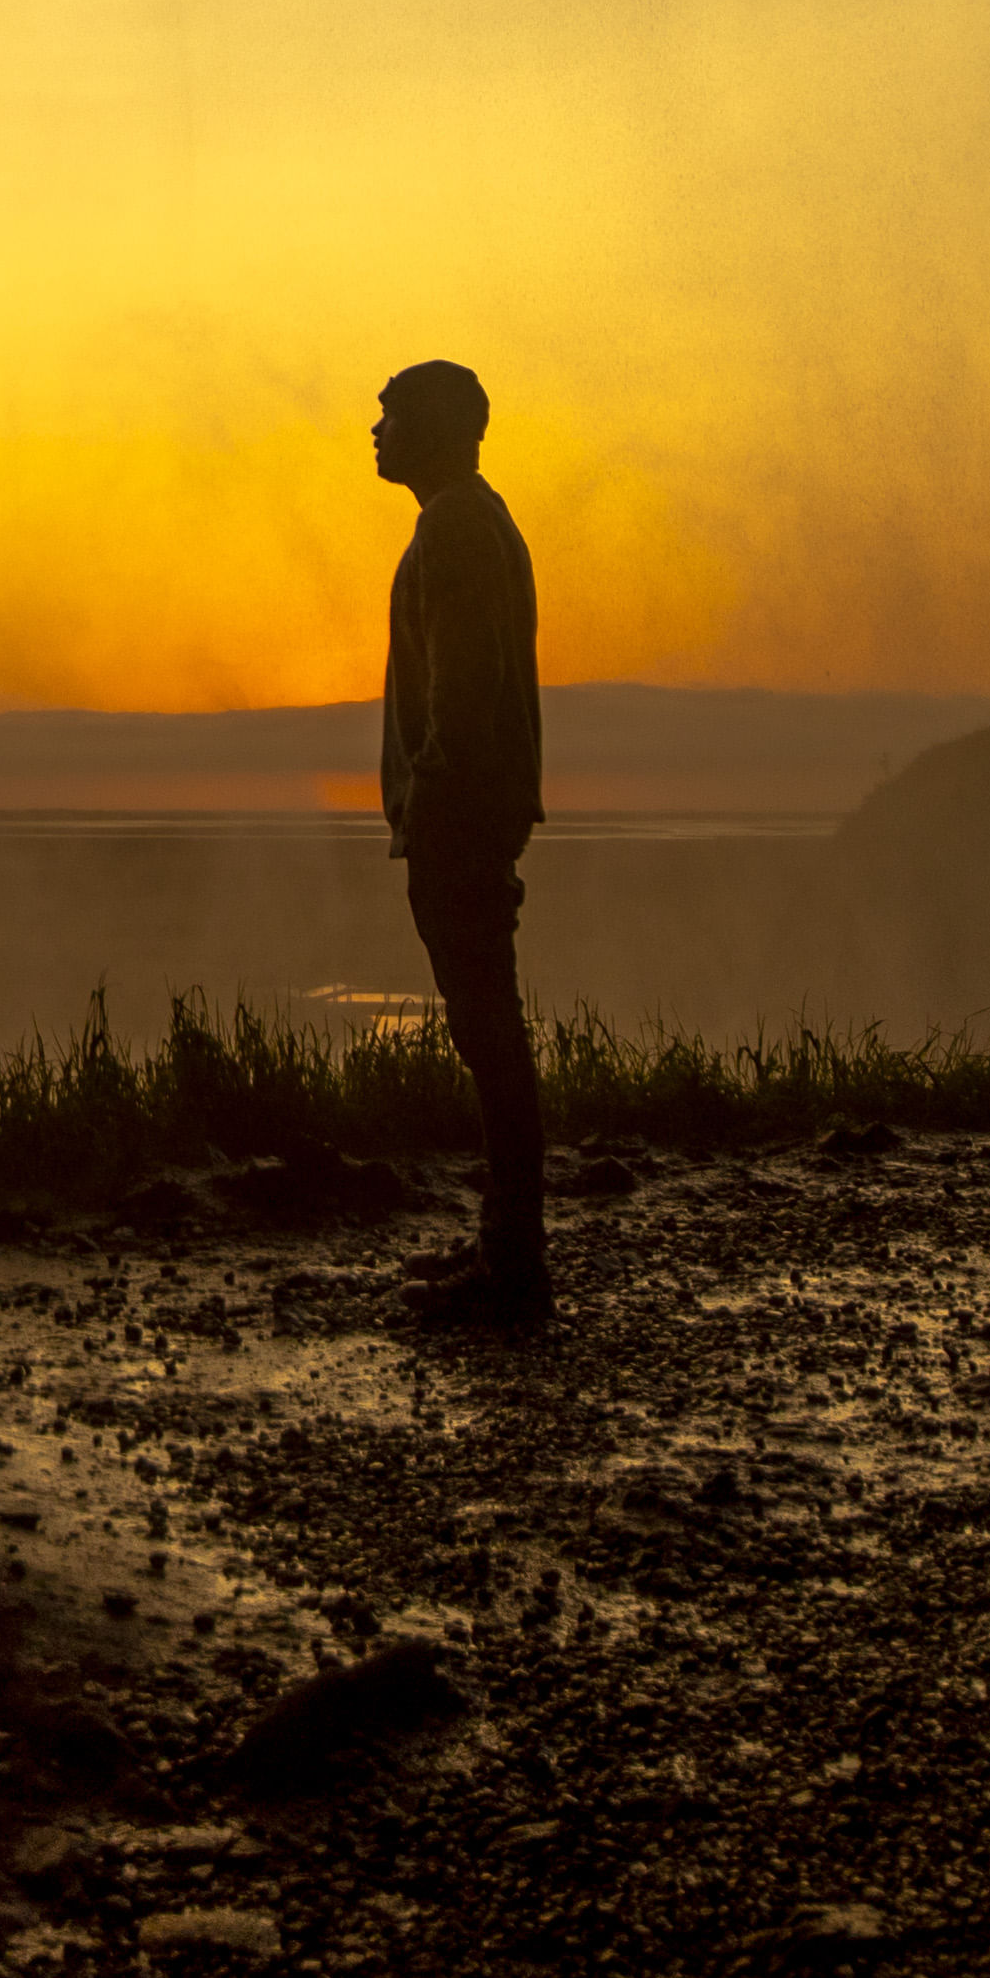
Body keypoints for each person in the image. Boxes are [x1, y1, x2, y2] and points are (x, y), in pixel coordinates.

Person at [369, 356, 547, 1325]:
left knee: (490, 1036)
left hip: (461, 819)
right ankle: (506, 1246)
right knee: (492, 1033)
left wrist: (431, 805)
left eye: (389, 413)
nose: (374, 429)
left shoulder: (453, 526)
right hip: (474, 813)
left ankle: (513, 1267)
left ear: (434, 426)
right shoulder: (476, 516)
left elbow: (463, 690)